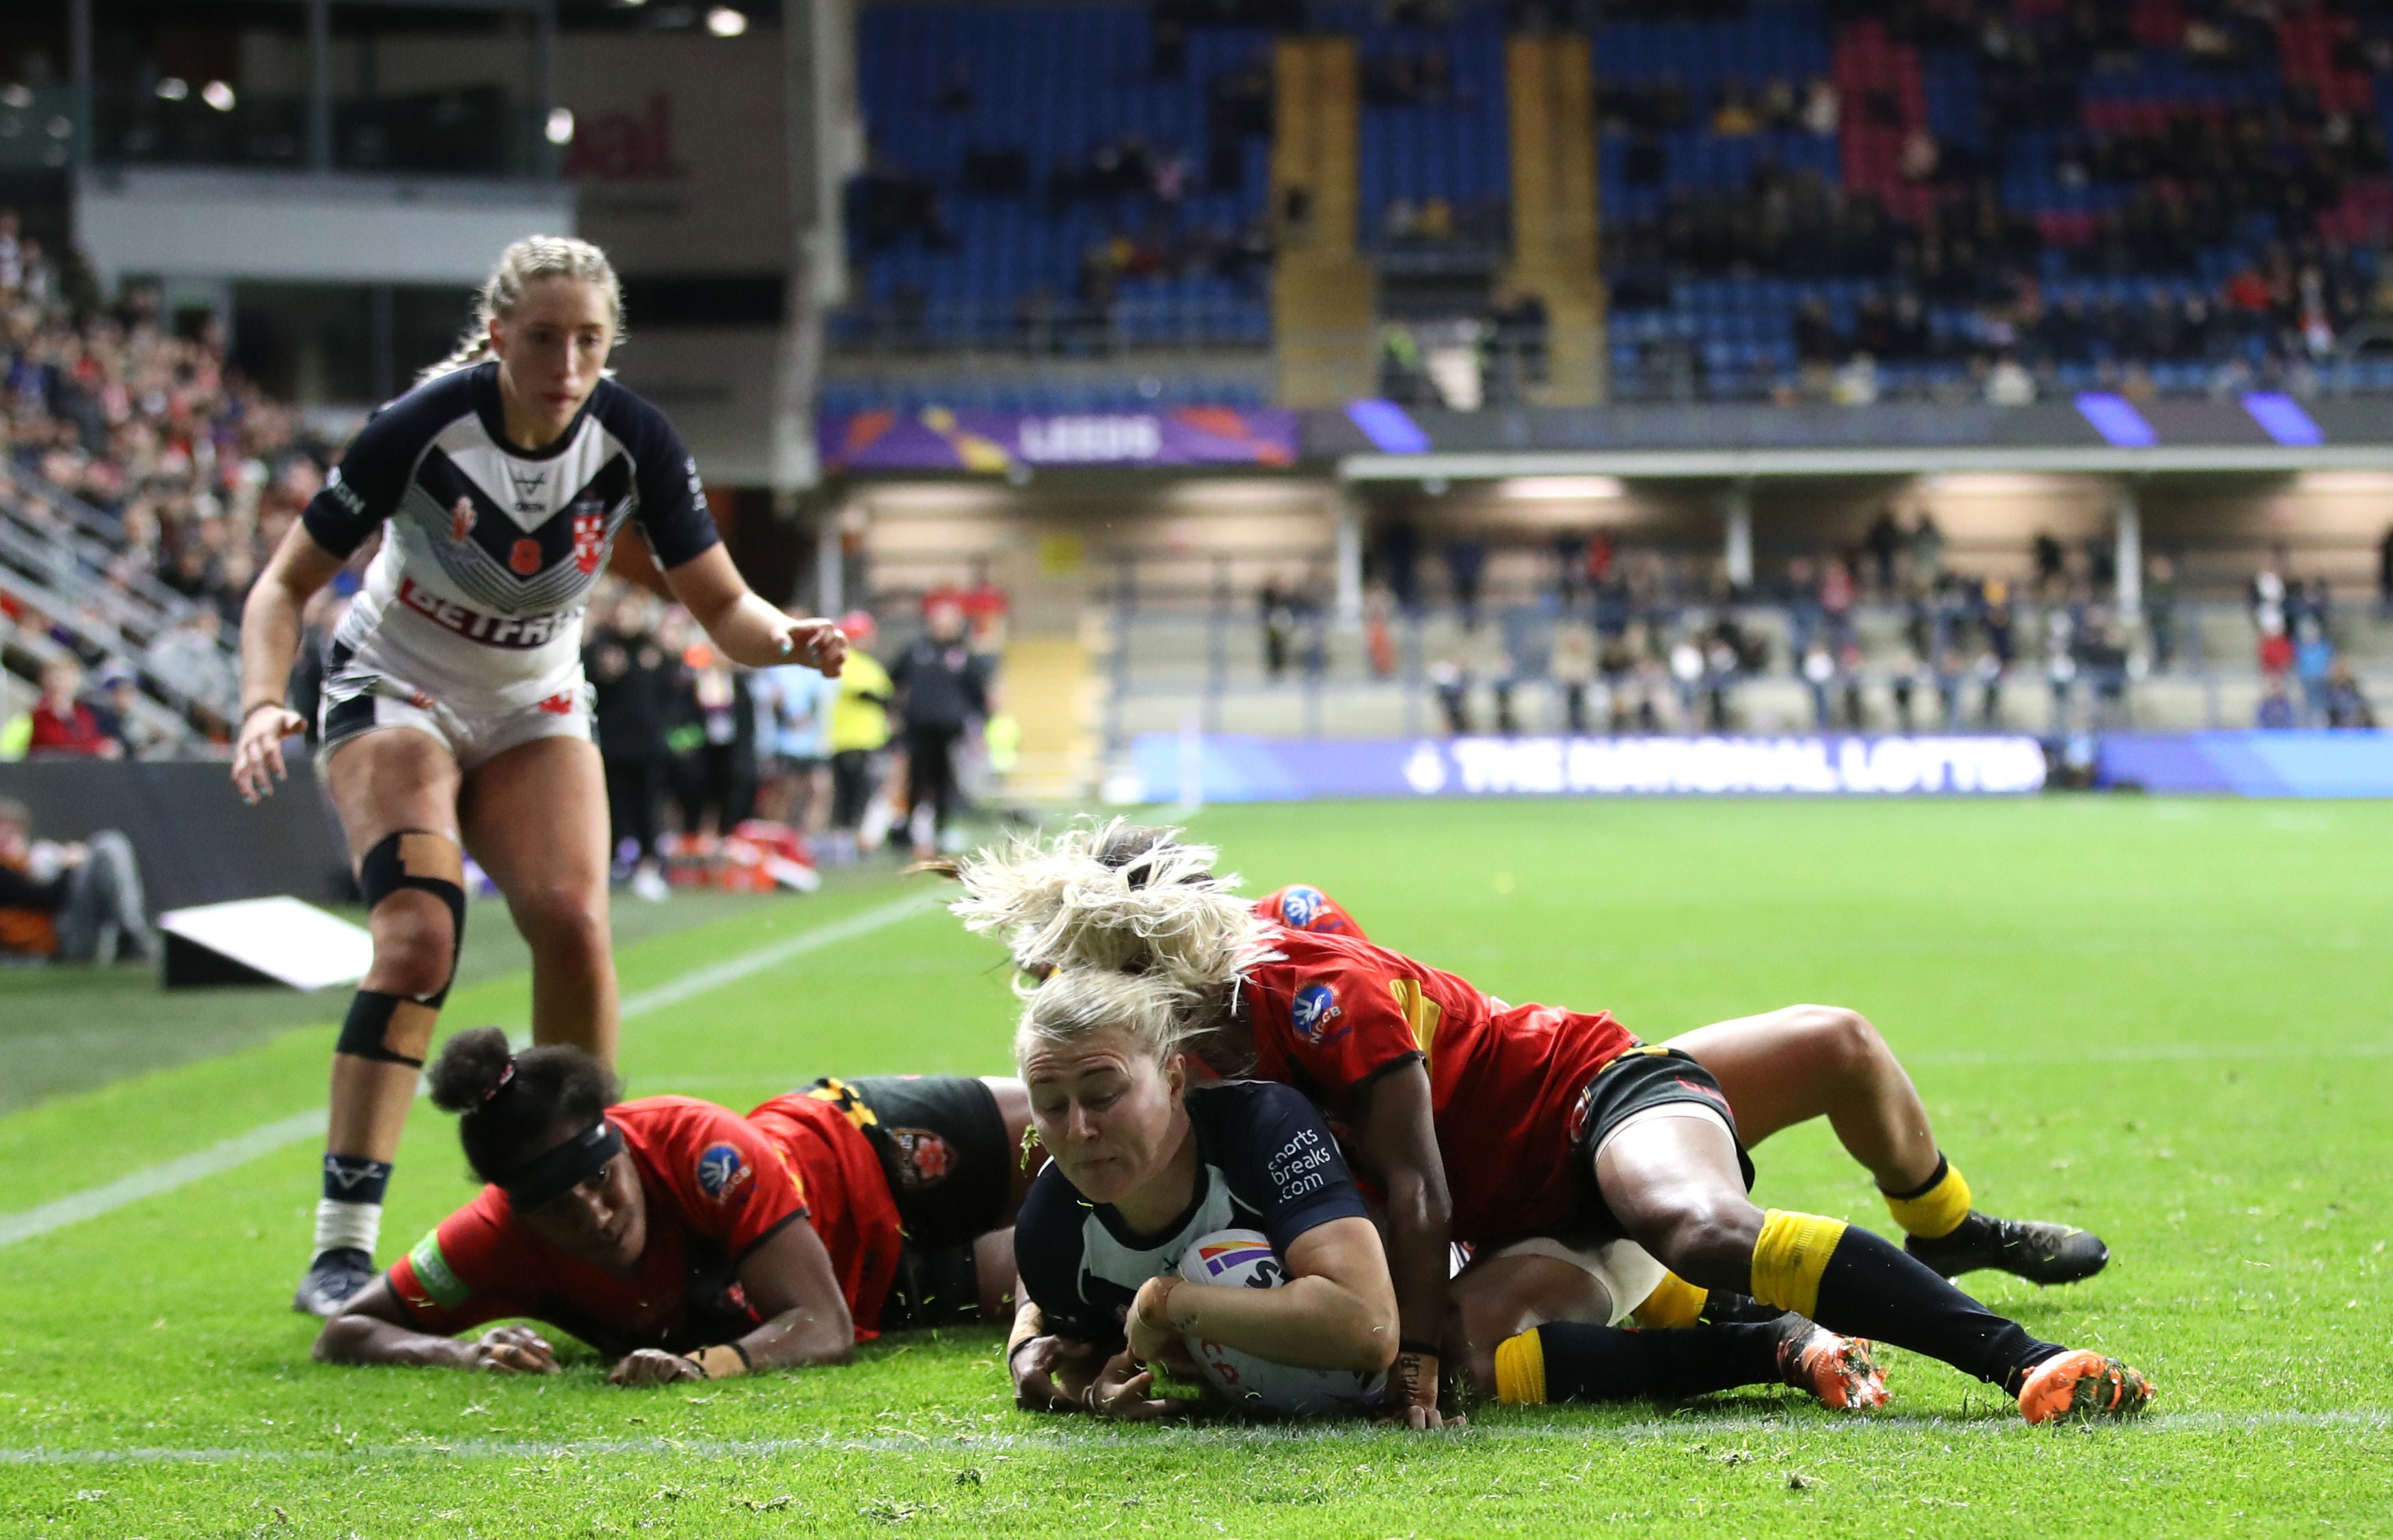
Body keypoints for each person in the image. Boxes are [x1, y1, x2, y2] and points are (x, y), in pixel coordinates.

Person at [955, 826, 2153, 1427]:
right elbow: (1078, 1190)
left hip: (1582, 1100)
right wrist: (1053, 1336)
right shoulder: (1172, 1054)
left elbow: (1417, 1188)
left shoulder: (1316, 993)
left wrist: (1405, 1346)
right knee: (1483, 1358)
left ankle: (2015, 1353)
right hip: (1522, 1211)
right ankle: (1768, 1336)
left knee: (1687, 1218)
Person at [232, 235, 849, 1319]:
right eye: (544, 338)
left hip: (533, 701)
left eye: (589, 341)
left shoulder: (634, 438)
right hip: (396, 687)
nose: (568, 362)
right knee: (421, 932)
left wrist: (787, 636)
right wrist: (257, 701)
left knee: (572, 919)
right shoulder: (419, 429)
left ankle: (584, 1197)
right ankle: (341, 1245)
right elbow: (282, 587)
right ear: (497, 337)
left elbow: (725, 607)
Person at [1003, 970, 1877, 1422]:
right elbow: (1061, 1285)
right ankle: (1711, 1306)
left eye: (1102, 1093)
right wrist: (1052, 1365)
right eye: (1054, 1108)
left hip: (1569, 1178)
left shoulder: (1269, 1086)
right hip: (1498, 1226)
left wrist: (1174, 1304)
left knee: (1450, 1360)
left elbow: (1374, 1323)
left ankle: (1767, 1338)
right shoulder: (1080, 1165)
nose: (1079, 1125)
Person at [316, 1028, 1034, 1377]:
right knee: (1078, 1274)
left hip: (874, 1150)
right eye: (561, 1211)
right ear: (520, 1215)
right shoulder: (493, 1235)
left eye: (601, 1183)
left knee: (1095, 1129)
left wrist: (702, 1365)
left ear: (623, 1145)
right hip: (881, 1280)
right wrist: (458, 1355)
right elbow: (349, 1330)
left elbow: (819, 1329)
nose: (596, 1216)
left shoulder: (699, 1146)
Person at [889, 599, 989, 859]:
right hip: (918, 729)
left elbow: (978, 696)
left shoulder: (966, 655)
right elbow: (894, 684)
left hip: (949, 733)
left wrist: (979, 731)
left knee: (944, 783)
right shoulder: (915, 652)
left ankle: (941, 831)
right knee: (916, 782)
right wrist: (894, 716)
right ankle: (911, 831)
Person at [0, 796, 153, 964]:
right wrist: (69, 867)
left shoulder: (27, 860)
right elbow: (46, 897)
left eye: (10, 832)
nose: (5, 838)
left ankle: (130, 933)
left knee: (110, 845)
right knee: (108, 845)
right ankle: (133, 937)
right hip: (63, 942)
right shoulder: (8, 872)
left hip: (74, 932)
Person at [824, 609, 894, 866]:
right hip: (848, 740)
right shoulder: (844, 661)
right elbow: (866, 694)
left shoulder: (870, 665)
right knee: (848, 793)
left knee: (864, 793)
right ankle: (843, 842)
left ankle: (857, 839)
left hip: (869, 740)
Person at [25, 659, 120, 759]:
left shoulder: (84, 714)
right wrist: (95, 747)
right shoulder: (37, 716)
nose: (60, 684)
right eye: (56, 678)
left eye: (66, 679)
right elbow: (54, 745)